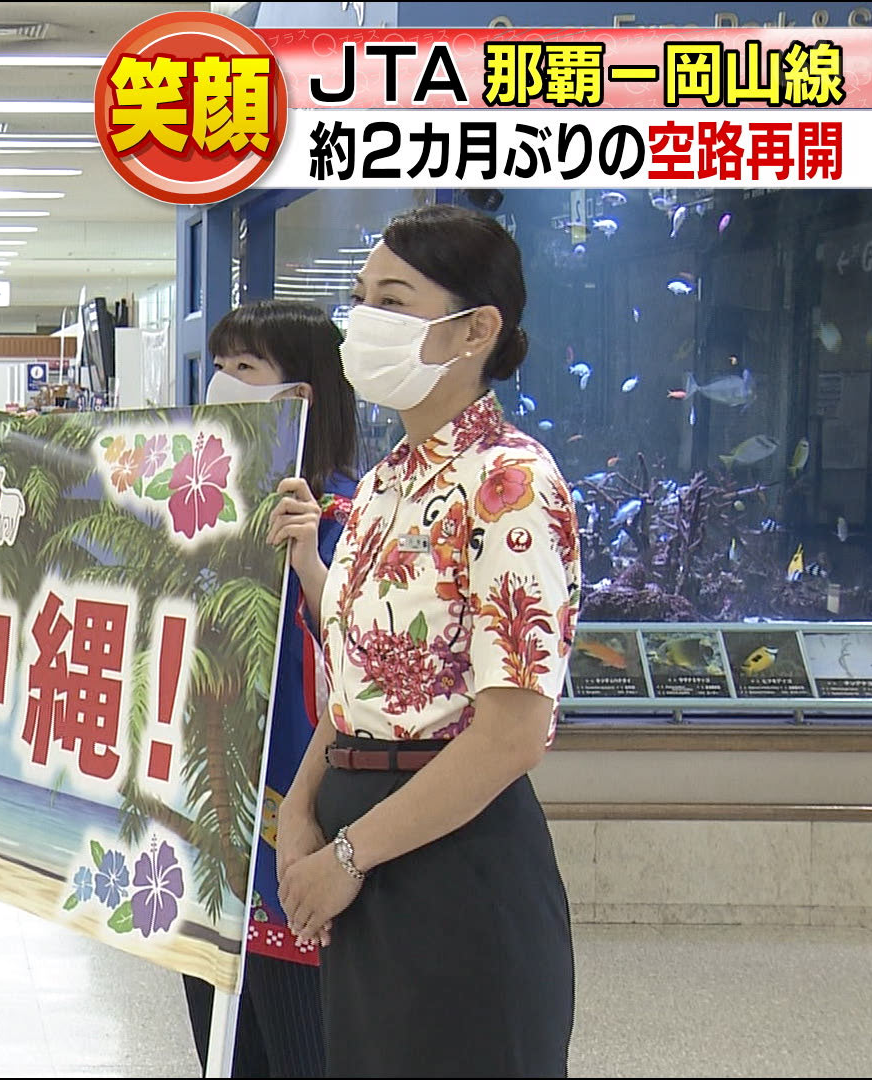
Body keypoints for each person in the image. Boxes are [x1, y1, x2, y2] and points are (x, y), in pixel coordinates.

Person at [275, 204, 580, 1077]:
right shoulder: (380, 488)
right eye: (361, 297)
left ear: (477, 328)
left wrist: (348, 853)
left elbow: (512, 734)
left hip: (455, 864)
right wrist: (301, 809)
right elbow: (358, 682)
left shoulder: (510, 485)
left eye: (395, 302)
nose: (364, 322)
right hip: (357, 857)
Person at [178, 300, 358, 1078]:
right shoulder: (204, 514)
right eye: (218, 365)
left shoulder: (345, 521)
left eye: (244, 368)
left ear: (301, 395)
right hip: (202, 841)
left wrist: (310, 572)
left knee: (302, 1053)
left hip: (294, 842)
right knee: (224, 1053)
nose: (222, 383)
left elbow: (364, 670)